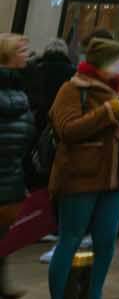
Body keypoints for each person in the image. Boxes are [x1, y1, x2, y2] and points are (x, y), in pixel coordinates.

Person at [49, 37, 119, 299]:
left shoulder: (117, 90)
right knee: (70, 238)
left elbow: (118, 137)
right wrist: (111, 110)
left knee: (106, 242)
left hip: (112, 178)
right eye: (118, 60)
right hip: (80, 177)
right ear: (103, 63)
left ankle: (94, 293)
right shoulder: (73, 89)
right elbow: (68, 129)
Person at [0, 35, 34, 299]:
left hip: (10, 175)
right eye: (22, 50)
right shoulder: (20, 93)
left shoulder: (21, 90)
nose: (28, 54)